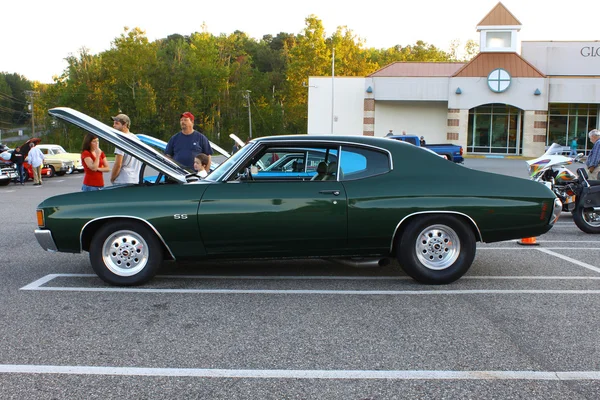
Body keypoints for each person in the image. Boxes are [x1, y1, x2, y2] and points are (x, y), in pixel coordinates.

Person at [109, 113, 142, 185]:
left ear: (125, 125)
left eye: (117, 123)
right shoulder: (136, 139)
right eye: (114, 123)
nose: (114, 125)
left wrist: (112, 178)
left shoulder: (121, 140)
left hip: (123, 180)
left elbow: (118, 164)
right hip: (135, 179)